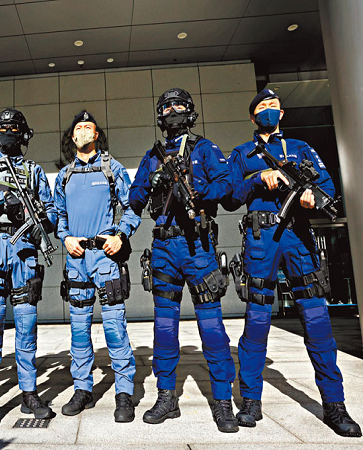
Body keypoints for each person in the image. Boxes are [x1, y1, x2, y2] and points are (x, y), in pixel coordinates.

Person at [227, 88, 361, 437]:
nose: (269, 111)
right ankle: (250, 402)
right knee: (256, 323)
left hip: (298, 237)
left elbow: (327, 187)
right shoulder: (242, 154)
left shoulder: (301, 148)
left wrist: (311, 196)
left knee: (317, 323)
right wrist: (258, 179)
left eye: (274, 106)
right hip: (261, 239)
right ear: (253, 116)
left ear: (282, 115)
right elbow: (228, 196)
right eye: (263, 107)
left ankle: (334, 405)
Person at [129, 88, 238, 432]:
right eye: (167, 107)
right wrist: (154, 182)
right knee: (164, 328)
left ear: (189, 112)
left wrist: (200, 190)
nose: (173, 111)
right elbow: (134, 198)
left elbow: (227, 186)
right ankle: (166, 397)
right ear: (160, 115)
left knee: (212, 327)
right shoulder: (153, 155)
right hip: (164, 247)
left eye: (179, 105)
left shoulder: (204, 148)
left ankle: (222, 401)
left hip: (198, 245)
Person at [0, 108, 57, 429]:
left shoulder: (34, 171)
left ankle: (29, 393)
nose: (9, 133)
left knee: (27, 327)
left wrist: (36, 218)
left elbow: (52, 214)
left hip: (25, 254)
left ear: (24, 134)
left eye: (15, 128)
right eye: (4, 128)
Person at [54, 110, 140, 423]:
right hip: (76, 261)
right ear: (72, 137)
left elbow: (132, 208)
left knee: (115, 327)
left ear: (97, 135)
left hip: (105, 259)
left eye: (89, 126)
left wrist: (120, 235)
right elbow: (58, 215)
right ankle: (83, 390)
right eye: (79, 127)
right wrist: (65, 238)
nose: (84, 131)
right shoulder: (64, 175)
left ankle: (124, 393)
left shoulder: (112, 168)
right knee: (79, 330)